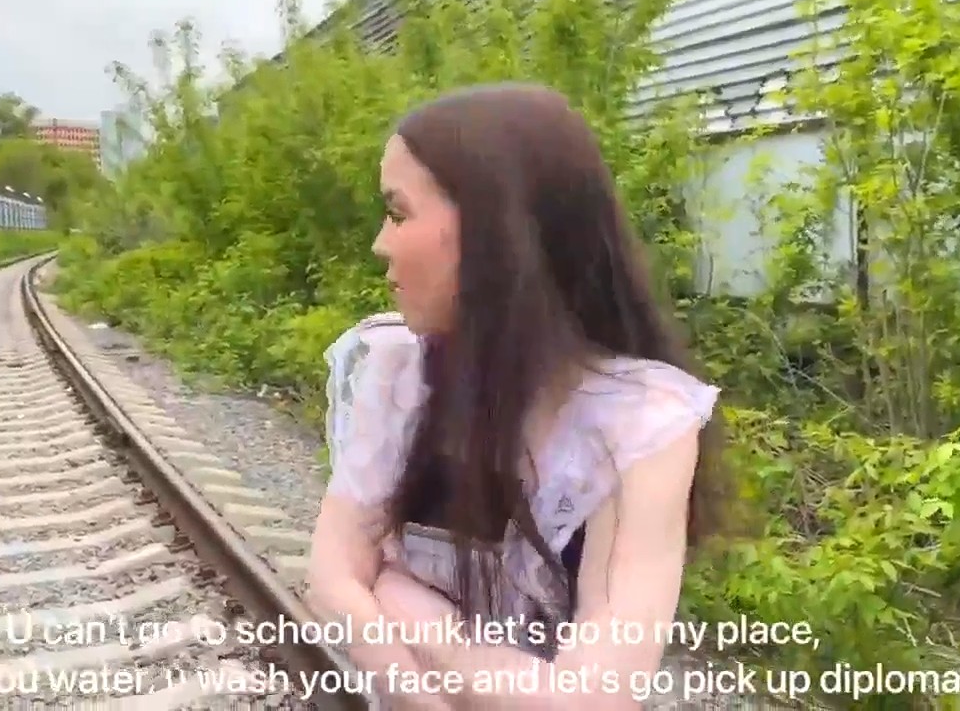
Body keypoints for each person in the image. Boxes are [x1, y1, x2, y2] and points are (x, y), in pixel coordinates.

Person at [306, 82, 730, 710]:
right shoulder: (397, 371)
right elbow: (333, 578)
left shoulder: (642, 424)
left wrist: (412, 612)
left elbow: (594, 699)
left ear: (494, 232)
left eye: (398, 213)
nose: (380, 243)